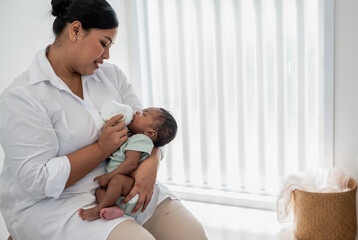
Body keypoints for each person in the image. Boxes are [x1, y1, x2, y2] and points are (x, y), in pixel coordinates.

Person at [0, 0, 207, 239]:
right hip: (56, 202)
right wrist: (101, 149)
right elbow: (36, 181)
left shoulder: (111, 76)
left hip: (123, 184)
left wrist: (152, 164)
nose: (107, 56)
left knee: (191, 233)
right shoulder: (23, 97)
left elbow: (147, 129)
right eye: (103, 44)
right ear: (76, 30)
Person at [78, 106, 178, 221]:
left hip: (129, 186)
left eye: (144, 114)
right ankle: (114, 209)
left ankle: (98, 210)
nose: (137, 112)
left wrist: (108, 177)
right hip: (119, 189)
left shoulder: (140, 140)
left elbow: (130, 164)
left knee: (117, 181)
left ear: (149, 133)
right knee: (99, 191)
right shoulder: (132, 135)